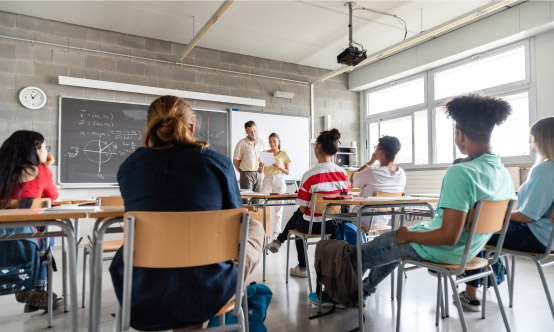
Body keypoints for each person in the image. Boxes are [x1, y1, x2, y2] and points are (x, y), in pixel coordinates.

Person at [308, 94, 514, 305]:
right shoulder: (503, 174)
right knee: (394, 245)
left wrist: (409, 236)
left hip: (446, 251)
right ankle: (363, 290)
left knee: (358, 255)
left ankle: (337, 295)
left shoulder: (461, 173)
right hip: (469, 250)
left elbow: (449, 236)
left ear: (460, 135)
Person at [109, 96, 264, 331]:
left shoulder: (129, 168)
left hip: (141, 290)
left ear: (150, 127)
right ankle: (234, 285)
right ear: (192, 128)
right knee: (253, 226)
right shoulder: (217, 163)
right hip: (210, 289)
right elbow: (236, 223)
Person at [459, 116, 554, 312]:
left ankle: (471, 292)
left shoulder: (545, 170)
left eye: (533, 138)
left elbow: (528, 216)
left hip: (536, 236)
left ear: (543, 139)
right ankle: (491, 275)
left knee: (477, 229)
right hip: (548, 236)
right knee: (487, 229)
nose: (532, 142)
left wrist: (499, 215)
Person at [266, 128, 350, 277]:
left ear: (317, 146)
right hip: (334, 225)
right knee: (300, 215)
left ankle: (302, 266)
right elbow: (345, 203)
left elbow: (304, 209)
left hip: (314, 225)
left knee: (299, 221)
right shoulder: (343, 174)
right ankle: (279, 241)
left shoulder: (310, 175)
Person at [0, 130, 59, 312]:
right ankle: (37, 289)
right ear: (35, 149)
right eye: (45, 146)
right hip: (30, 236)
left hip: (3, 235)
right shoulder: (41, 172)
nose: (46, 150)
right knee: (48, 237)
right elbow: (53, 196)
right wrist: (46, 167)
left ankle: (33, 290)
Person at [350, 135, 406, 229]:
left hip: (362, 218)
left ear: (381, 152)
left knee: (337, 213)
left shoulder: (371, 171)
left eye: (376, 148)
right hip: (384, 219)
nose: (374, 150)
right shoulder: (402, 174)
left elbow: (352, 179)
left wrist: (370, 162)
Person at [260, 133, 291, 238]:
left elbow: (287, 172)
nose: (272, 143)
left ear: (279, 142)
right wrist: (260, 166)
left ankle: (275, 233)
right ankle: (263, 231)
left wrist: (279, 167)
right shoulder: (264, 153)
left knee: (279, 207)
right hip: (267, 178)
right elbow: (260, 171)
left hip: (279, 179)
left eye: (274, 141)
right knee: (262, 203)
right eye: (270, 141)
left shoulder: (284, 154)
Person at [233, 120, 265, 192]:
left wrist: (261, 168)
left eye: (254, 131)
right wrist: (243, 172)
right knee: (247, 199)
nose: (253, 133)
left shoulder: (261, 142)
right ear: (246, 132)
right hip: (246, 174)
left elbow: (263, 158)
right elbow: (235, 161)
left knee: (257, 200)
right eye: (251, 132)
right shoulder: (241, 143)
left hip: (259, 174)